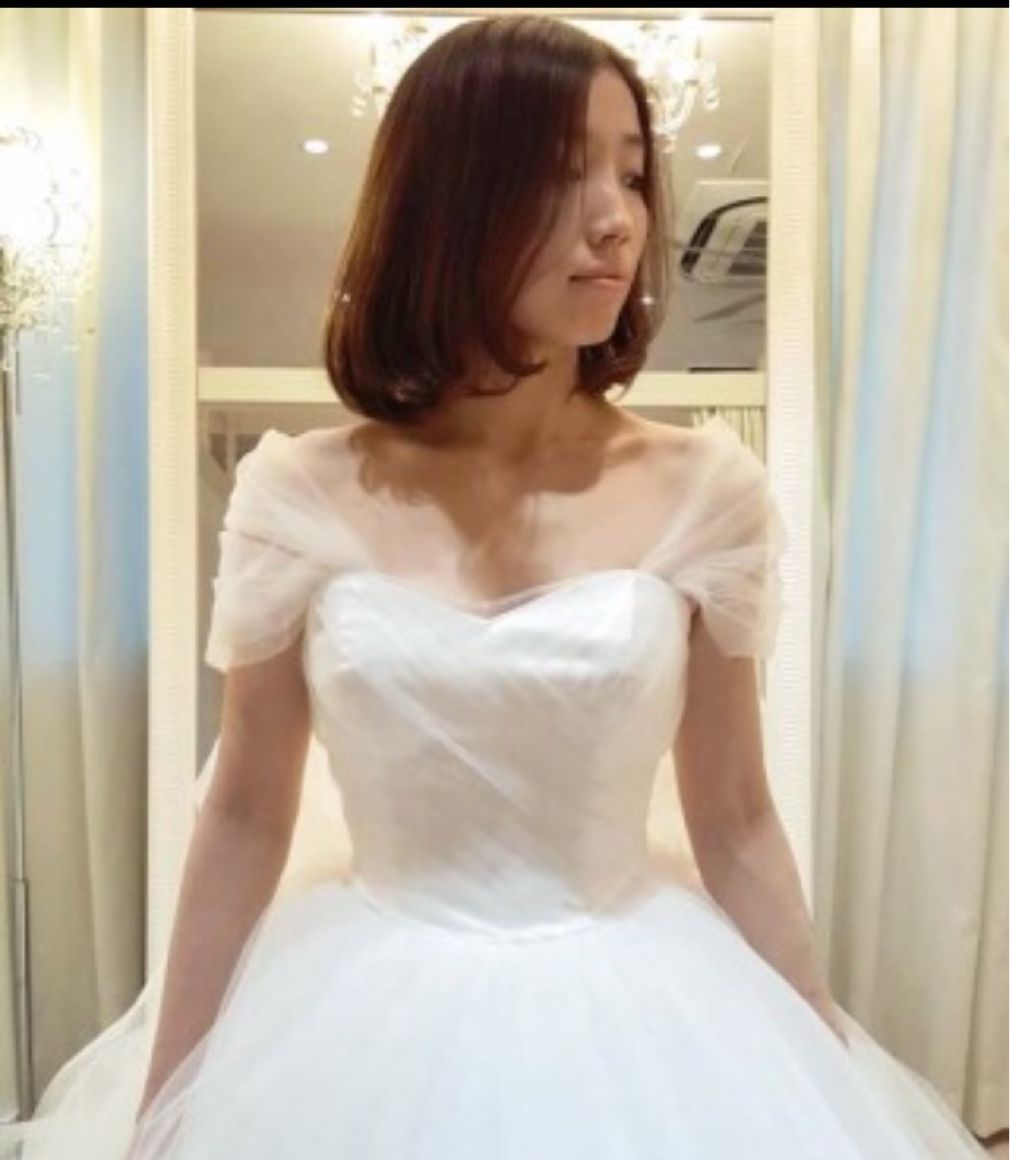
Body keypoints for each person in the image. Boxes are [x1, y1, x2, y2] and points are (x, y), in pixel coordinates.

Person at [4, 15, 990, 1159]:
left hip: (639, 1012)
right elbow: (243, 811)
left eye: (631, 172)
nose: (617, 218)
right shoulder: (299, 491)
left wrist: (818, 1060)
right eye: (564, 173)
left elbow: (731, 816)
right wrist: (164, 1101)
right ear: (449, 198)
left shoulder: (701, 488)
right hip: (355, 1022)